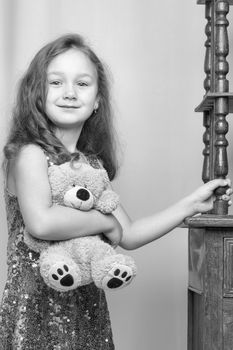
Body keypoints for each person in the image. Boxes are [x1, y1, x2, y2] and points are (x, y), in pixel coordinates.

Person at [0, 33, 231, 349]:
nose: (69, 92)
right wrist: (104, 222)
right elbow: (42, 223)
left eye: (82, 84)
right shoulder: (29, 154)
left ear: (97, 101)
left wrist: (190, 205)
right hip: (36, 313)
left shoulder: (93, 166)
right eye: (56, 83)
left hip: (87, 311)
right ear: (37, 95)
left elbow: (130, 233)